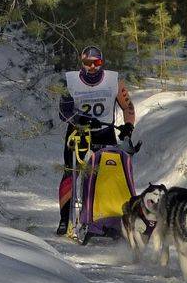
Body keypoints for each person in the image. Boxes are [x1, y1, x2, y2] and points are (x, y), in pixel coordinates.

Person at [56, 45, 136, 235]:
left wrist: (128, 127)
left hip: (104, 131)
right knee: (71, 173)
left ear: (102, 63)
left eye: (97, 62)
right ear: (81, 63)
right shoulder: (70, 81)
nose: (92, 67)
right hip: (79, 132)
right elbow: (63, 111)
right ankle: (64, 219)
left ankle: (108, 217)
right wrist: (78, 119)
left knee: (109, 174)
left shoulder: (114, 81)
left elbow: (128, 107)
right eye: (87, 63)